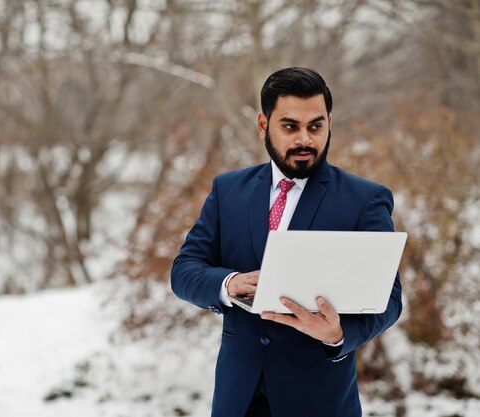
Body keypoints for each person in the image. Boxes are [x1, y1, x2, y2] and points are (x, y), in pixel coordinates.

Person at [171, 67, 402, 417]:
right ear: (264, 125)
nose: (305, 140)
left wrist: (339, 333)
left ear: (329, 123)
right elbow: (184, 271)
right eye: (290, 126)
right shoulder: (227, 190)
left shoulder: (364, 200)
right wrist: (229, 283)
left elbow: (390, 297)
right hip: (238, 399)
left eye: (316, 126)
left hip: (319, 402)